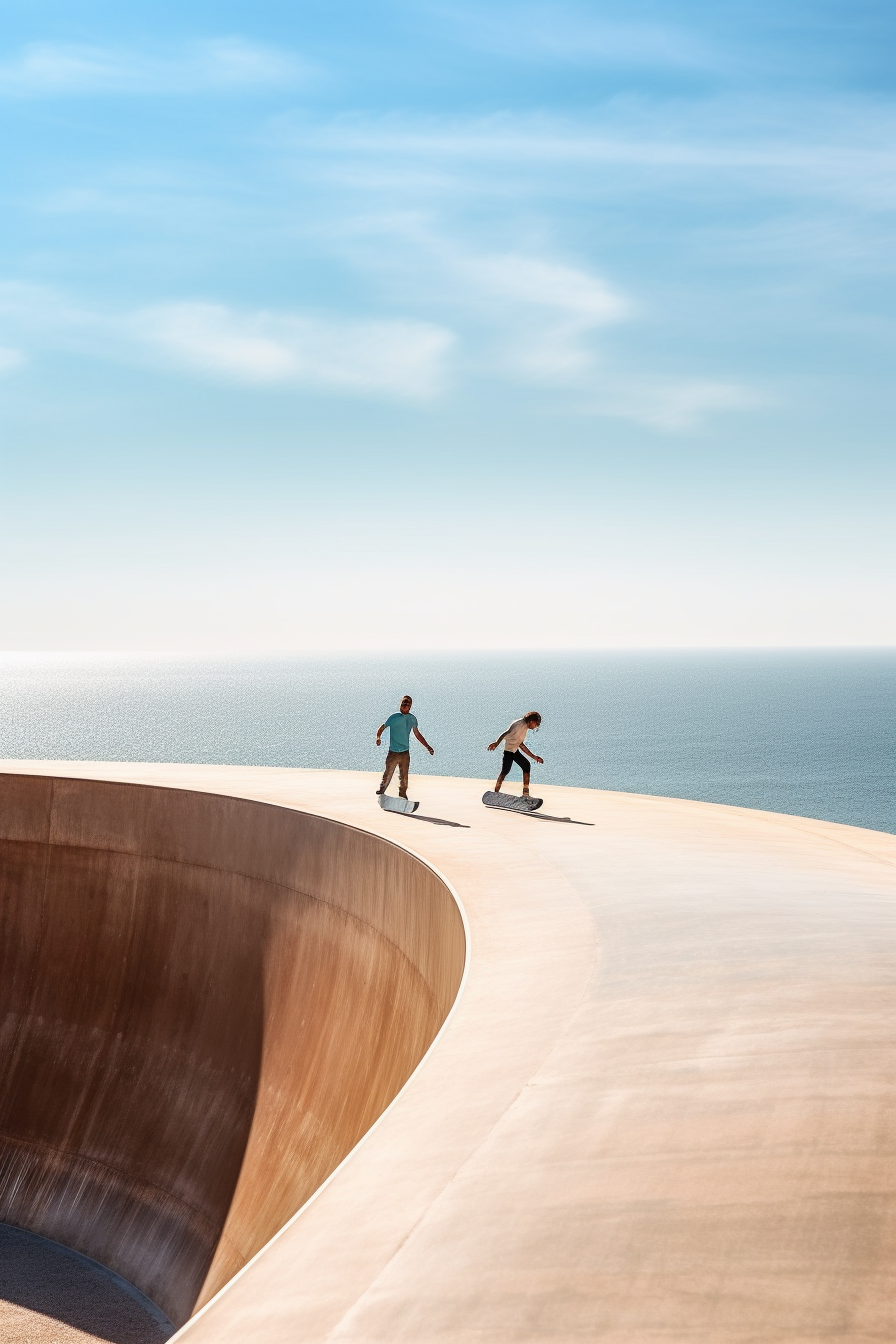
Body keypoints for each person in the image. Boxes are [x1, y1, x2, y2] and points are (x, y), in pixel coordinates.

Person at [376, 695, 434, 799]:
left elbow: (417, 734)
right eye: (403, 704)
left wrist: (427, 746)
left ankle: (402, 794)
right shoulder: (393, 717)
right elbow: (382, 727)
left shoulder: (412, 719)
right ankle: (382, 790)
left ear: (410, 707)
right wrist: (378, 737)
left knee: (404, 776)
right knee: (388, 772)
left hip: (405, 752)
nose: (404, 707)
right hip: (393, 752)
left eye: (407, 705)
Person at [487, 711, 543, 796]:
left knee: (526, 765)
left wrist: (534, 757)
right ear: (532, 721)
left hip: (515, 751)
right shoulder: (518, 724)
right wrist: (496, 743)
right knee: (505, 771)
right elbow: (505, 734)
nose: (536, 726)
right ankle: (496, 792)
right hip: (508, 752)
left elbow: (521, 745)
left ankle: (525, 793)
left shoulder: (524, 727)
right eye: (536, 724)